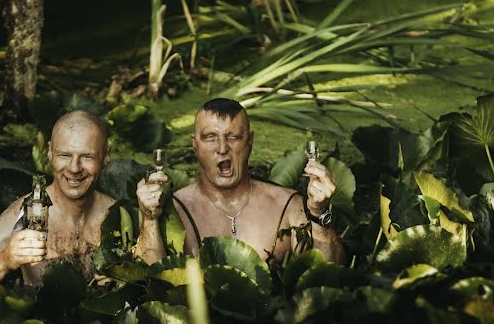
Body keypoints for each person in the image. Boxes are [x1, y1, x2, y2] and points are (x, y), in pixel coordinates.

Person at [135, 98, 345, 266]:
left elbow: (328, 277)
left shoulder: (288, 205)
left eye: (233, 137)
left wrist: (319, 214)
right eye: (210, 137)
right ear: (195, 145)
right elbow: (149, 284)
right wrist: (149, 220)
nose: (222, 148)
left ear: (250, 141)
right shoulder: (174, 209)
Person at [0, 110, 116, 285]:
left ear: (105, 156)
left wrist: (124, 277)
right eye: (64, 155)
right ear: (50, 153)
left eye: (87, 156)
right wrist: (5, 261)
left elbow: (153, 282)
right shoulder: (20, 216)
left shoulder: (118, 215)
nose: (74, 168)